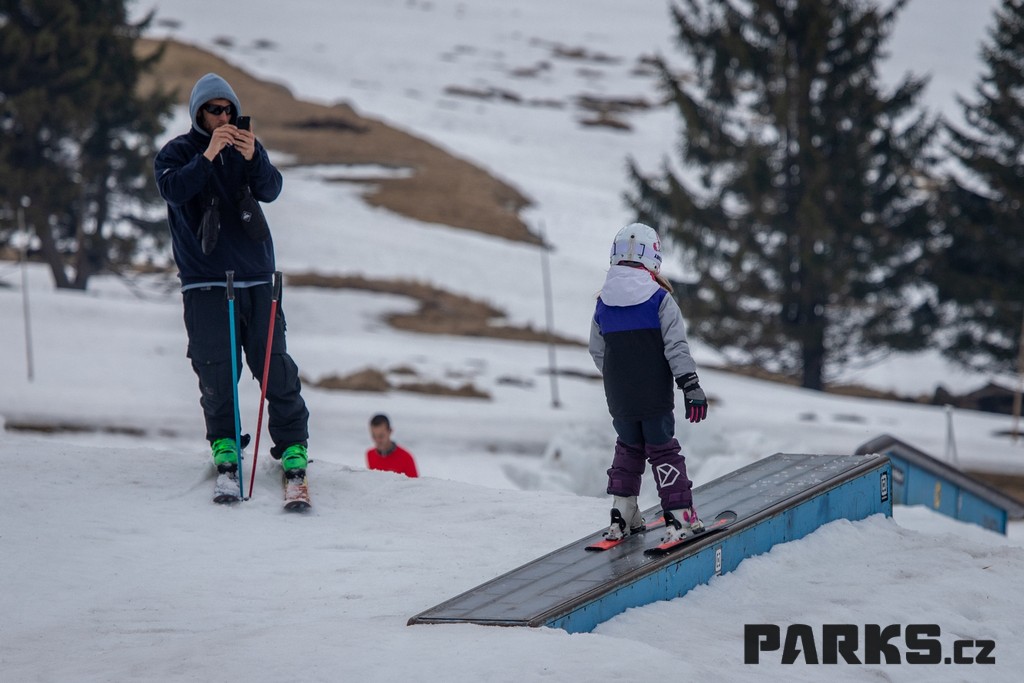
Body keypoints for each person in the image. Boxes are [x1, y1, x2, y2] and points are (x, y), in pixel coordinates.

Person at [154, 73, 310, 497]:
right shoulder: (177, 153)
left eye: (229, 110)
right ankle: (225, 446)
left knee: (275, 367)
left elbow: (271, 189)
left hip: (258, 278)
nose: (223, 118)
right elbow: (173, 189)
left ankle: (293, 448)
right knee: (216, 370)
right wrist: (207, 155)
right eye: (215, 110)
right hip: (205, 283)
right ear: (198, 113)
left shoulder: (247, 149)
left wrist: (254, 155)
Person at [589, 223, 709, 543]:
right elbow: (676, 347)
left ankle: (623, 514)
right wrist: (690, 386)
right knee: (663, 450)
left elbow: (597, 351)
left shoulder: (603, 303)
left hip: (619, 398)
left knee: (628, 447)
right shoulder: (660, 300)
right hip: (654, 395)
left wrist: (618, 380)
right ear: (654, 256)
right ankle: (680, 516)